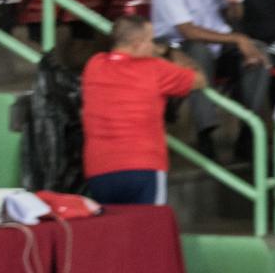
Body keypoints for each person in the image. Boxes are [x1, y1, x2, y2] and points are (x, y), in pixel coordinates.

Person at [150, 0, 269, 158]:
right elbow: (187, 31)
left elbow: (234, 17)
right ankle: (206, 134)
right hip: (174, 45)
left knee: (259, 53)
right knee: (198, 52)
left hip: (217, 40)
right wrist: (237, 38)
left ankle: (247, 132)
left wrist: (234, 1)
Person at [80, 16, 204, 205]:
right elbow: (200, 79)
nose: (154, 46)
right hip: (143, 165)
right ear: (137, 44)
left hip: (99, 170)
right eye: (151, 41)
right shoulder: (155, 69)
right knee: (149, 223)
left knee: (114, 224)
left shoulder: (94, 65)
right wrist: (169, 51)